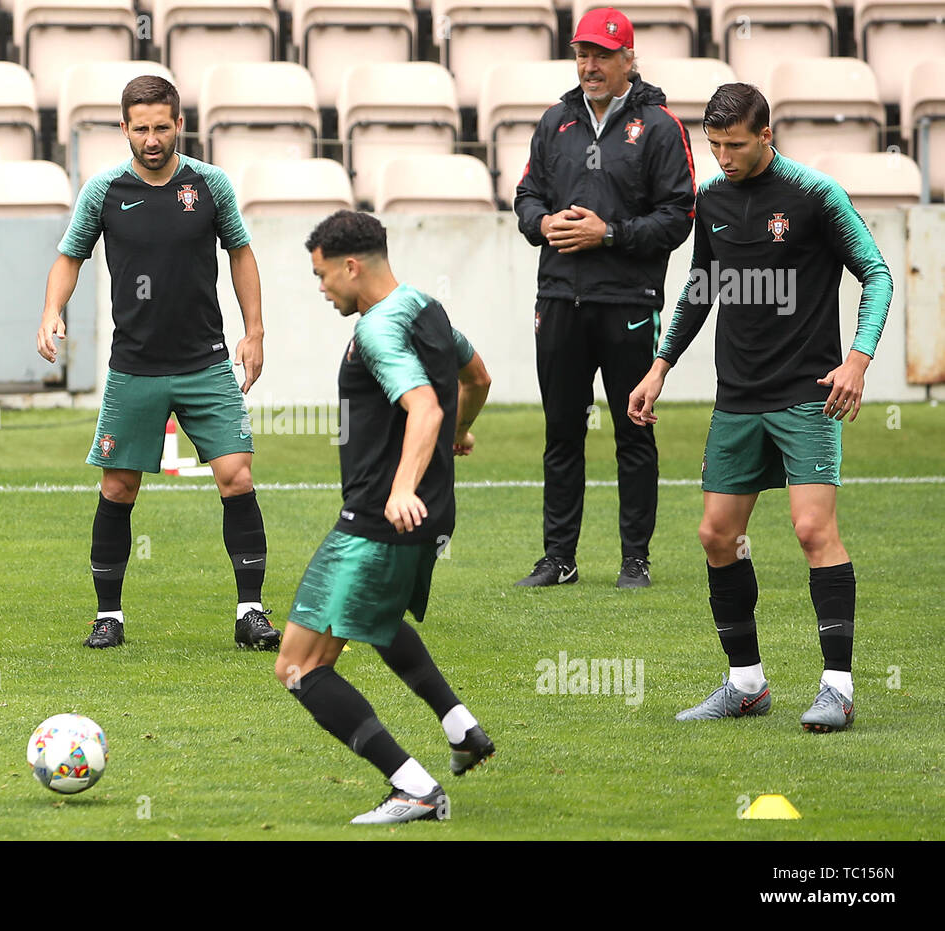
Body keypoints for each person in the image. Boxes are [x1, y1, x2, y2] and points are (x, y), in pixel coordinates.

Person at [628, 83, 892, 732]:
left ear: (766, 136)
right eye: (714, 144)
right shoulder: (712, 199)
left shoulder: (815, 195)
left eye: (736, 144)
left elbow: (877, 273)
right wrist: (659, 366)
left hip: (806, 391)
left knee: (811, 529)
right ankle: (746, 683)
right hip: (738, 397)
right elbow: (699, 290)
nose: (723, 156)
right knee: (717, 534)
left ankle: (838, 687)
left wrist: (857, 359)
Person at [36, 76, 276, 651]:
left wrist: (255, 331)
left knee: (235, 474)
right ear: (124, 128)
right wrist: (51, 310)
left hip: (206, 361)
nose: (150, 138)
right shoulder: (103, 191)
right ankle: (109, 617)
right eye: (139, 128)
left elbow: (241, 254)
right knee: (119, 488)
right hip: (135, 367)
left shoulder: (210, 185)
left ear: (179, 125)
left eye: (160, 126)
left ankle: (250, 612)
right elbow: (70, 256)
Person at [277, 210, 495, 824]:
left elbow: (423, 406)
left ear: (351, 266)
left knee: (298, 666)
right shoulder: (426, 306)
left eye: (322, 276)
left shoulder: (376, 330)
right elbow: (475, 376)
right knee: (376, 617)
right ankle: (462, 730)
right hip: (423, 515)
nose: (321, 289)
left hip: (379, 518)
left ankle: (415, 790)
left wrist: (402, 487)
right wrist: (463, 431)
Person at [513, 7, 695, 589]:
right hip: (559, 298)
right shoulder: (554, 122)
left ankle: (635, 560)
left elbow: (679, 216)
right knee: (561, 431)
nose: (590, 65)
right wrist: (542, 225)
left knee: (633, 431)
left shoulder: (662, 126)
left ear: (628, 60)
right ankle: (558, 559)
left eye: (602, 55)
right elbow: (525, 196)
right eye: (583, 54)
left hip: (628, 301)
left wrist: (609, 233)